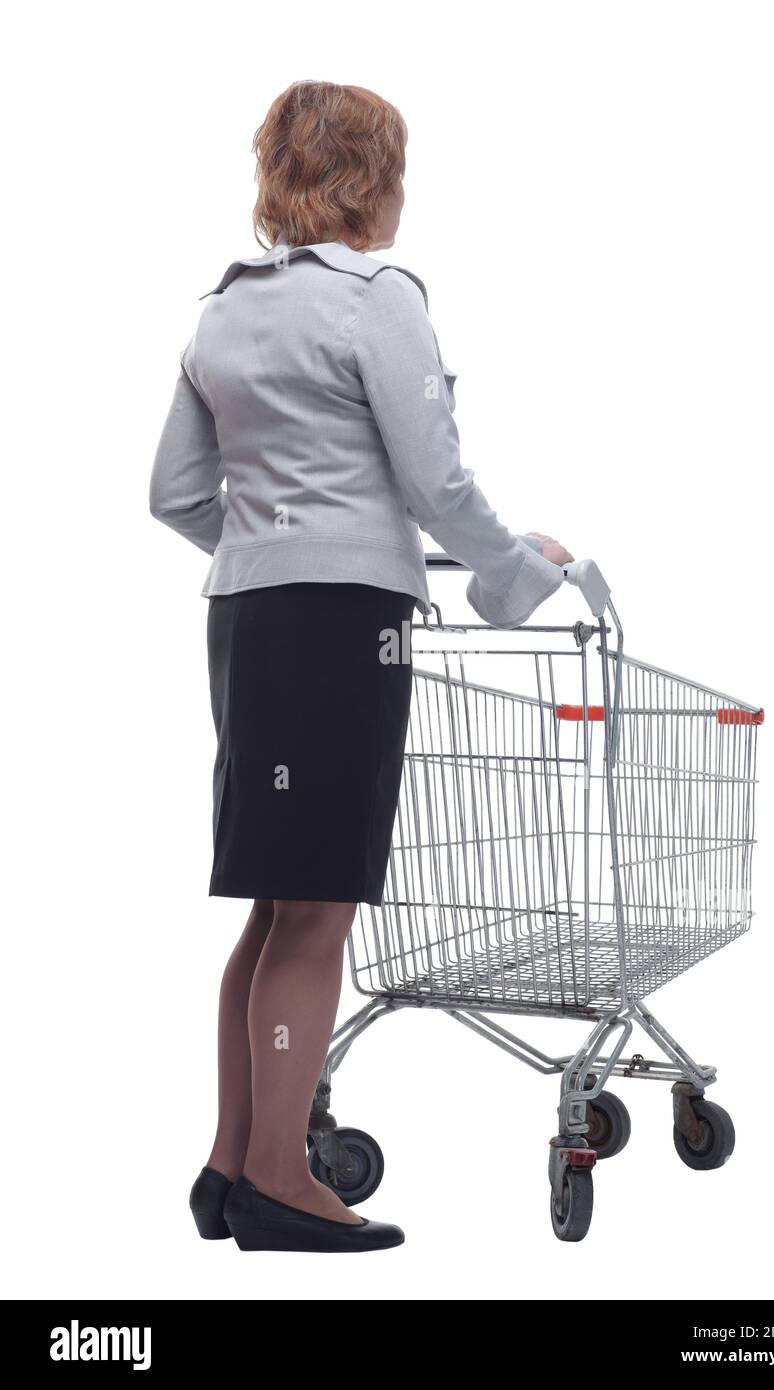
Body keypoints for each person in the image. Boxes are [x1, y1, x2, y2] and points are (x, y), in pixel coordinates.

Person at [150, 80, 573, 1253]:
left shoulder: (221, 313)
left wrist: (277, 541)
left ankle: (233, 1166)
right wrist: (509, 574)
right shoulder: (377, 299)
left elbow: (174, 494)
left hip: (244, 621)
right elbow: (437, 482)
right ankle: (281, 1178)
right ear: (373, 180)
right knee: (317, 910)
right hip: (339, 628)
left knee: (276, 907)